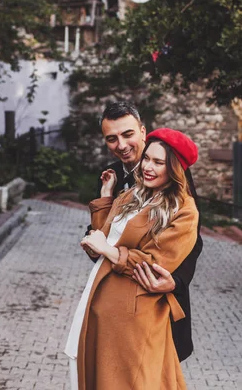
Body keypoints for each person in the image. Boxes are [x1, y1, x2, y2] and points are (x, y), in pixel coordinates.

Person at [65, 129, 200, 389]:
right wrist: (106, 198)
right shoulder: (131, 195)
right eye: (147, 158)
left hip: (135, 315)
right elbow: (101, 240)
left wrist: (108, 250)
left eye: (158, 162)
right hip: (99, 299)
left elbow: (156, 263)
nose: (148, 167)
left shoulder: (183, 210)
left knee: (132, 381)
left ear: (174, 168)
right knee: (92, 374)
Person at [86, 101, 203, 362]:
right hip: (114, 297)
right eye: (112, 139)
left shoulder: (173, 172)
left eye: (127, 134)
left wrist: (176, 280)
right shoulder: (111, 175)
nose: (122, 145)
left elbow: (192, 239)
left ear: (142, 131)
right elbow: (98, 238)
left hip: (154, 295)